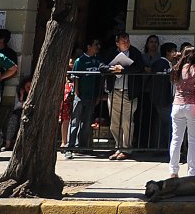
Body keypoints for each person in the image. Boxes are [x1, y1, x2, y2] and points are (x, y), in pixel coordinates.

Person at [168, 45, 195, 178]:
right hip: (193, 106)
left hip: (177, 105)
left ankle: (173, 171)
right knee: (193, 140)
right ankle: (191, 172)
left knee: (176, 139)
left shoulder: (177, 68)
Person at [105, 32, 145, 161]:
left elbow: (139, 68)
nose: (126, 43)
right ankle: (119, 147)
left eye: (127, 41)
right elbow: (102, 66)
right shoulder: (111, 52)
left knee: (127, 121)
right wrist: (112, 69)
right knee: (114, 122)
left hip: (129, 92)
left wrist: (123, 69)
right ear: (117, 43)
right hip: (114, 90)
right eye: (123, 42)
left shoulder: (135, 53)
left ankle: (126, 148)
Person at [67, 39, 104, 158]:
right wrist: (77, 92)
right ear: (89, 46)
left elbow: (100, 80)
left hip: (92, 95)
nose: (98, 46)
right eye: (95, 44)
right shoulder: (80, 60)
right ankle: (70, 146)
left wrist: (98, 95)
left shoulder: (98, 61)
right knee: (75, 120)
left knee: (86, 121)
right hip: (81, 94)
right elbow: (76, 77)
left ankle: (81, 146)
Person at [149, 42, 178, 149]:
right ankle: (161, 146)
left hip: (165, 98)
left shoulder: (167, 63)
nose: (175, 53)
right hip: (162, 97)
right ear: (168, 52)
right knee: (166, 122)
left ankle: (161, 146)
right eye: (174, 51)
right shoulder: (162, 63)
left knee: (162, 122)